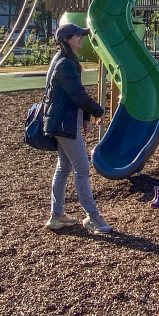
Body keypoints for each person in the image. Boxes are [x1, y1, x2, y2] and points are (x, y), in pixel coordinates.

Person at [43, 23, 113, 234]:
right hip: (63, 123)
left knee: (63, 168)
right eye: (78, 35)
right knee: (81, 169)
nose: (82, 38)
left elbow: (70, 96)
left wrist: (84, 118)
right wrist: (98, 111)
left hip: (61, 121)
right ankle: (94, 218)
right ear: (68, 39)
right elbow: (78, 95)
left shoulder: (61, 60)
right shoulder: (66, 64)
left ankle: (57, 216)